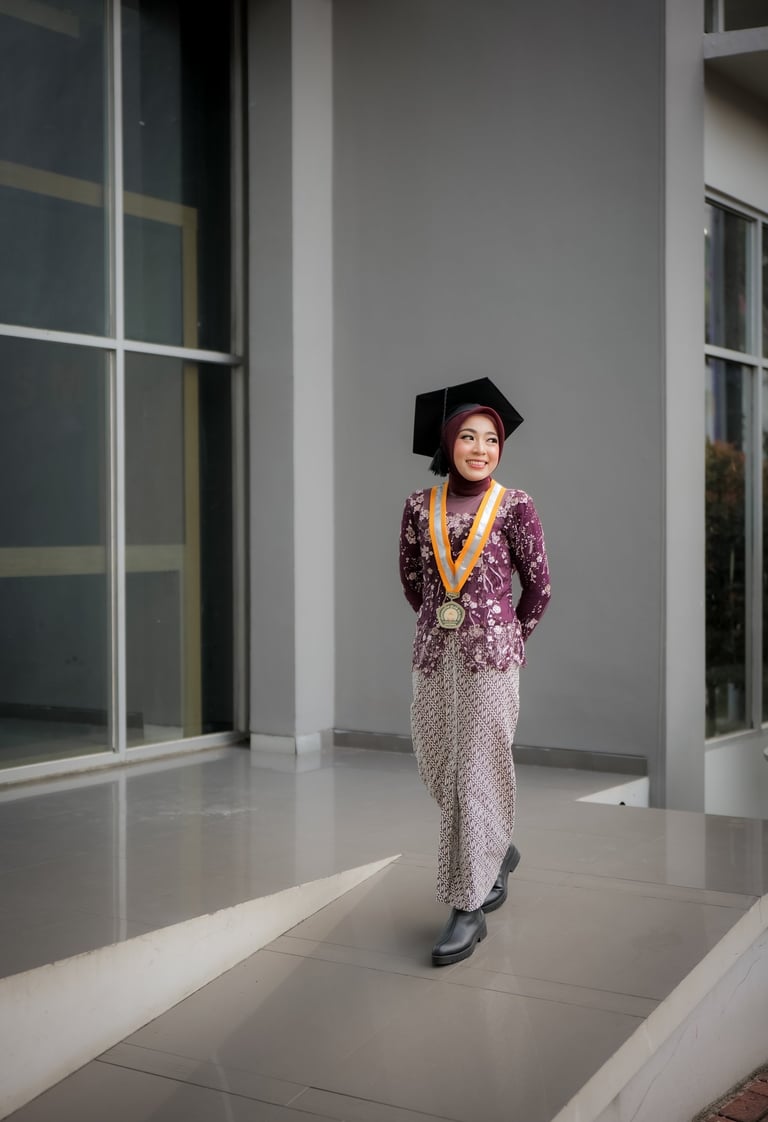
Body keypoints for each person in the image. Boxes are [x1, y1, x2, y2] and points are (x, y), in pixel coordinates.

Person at [399, 380, 551, 966]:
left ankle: (467, 906)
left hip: (492, 661)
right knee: (437, 760)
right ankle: (497, 848)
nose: (481, 448)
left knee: (474, 772)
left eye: (491, 439)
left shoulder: (515, 505)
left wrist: (507, 636)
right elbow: (413, 581)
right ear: (448, 444)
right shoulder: (419, 506)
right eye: (469, 437)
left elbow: (538, 587)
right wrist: (443, 623)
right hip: (435, 653)